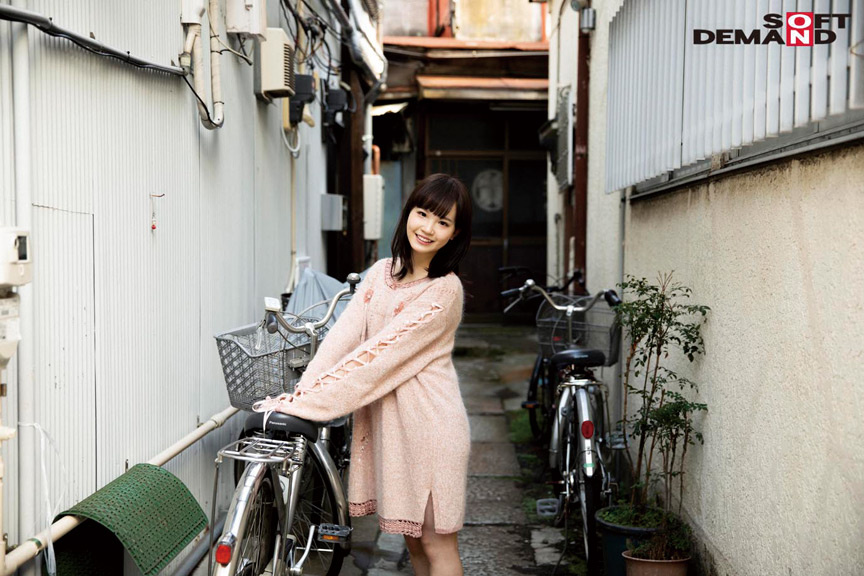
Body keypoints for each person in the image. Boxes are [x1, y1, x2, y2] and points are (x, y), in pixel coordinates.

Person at [255, 173, 473, 576]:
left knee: (435, 541)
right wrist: (303, 394)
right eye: (423, 213)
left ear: (454, 233)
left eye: (442, 222)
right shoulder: (381, 273)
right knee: (413, 540)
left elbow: (379, 357)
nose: (428, 228)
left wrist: (312, 403)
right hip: (395, 428)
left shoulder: (445, 290)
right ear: (408, 212)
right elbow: (341, 339)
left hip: (431, 427)